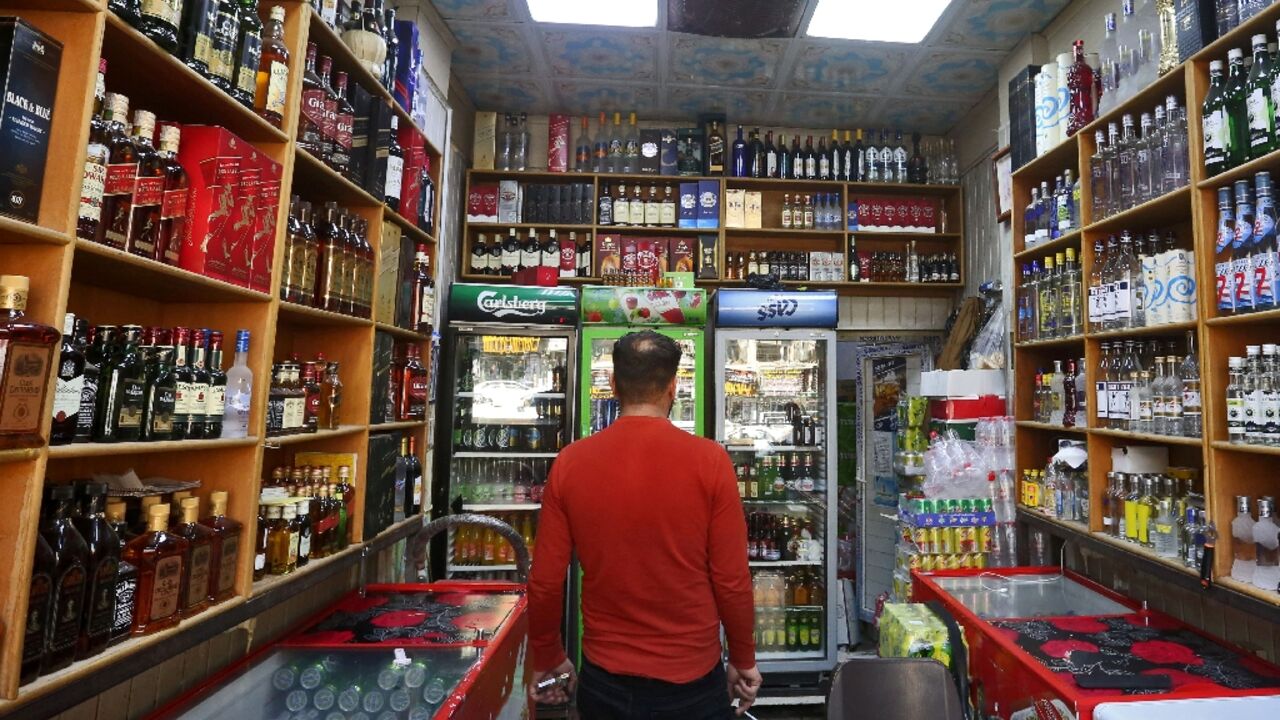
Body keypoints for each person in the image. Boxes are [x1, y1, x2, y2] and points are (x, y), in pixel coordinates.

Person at [527, 330, 761, 718]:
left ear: (613, 384)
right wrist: (742, 656)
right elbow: (731, 578)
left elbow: (546, 582)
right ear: (674, 386)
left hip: (604, 680)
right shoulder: (711, 462)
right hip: (693, 680)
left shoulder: (571, 462)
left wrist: (548, 655)